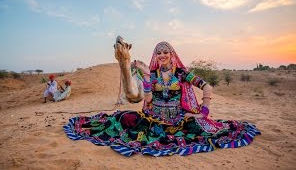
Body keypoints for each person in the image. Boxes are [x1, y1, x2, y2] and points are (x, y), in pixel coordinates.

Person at [64, 41, 260, 157]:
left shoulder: (182, 73)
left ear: (171, 54)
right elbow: (147, 97)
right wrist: (147, 76)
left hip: (178, 118)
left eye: (166, 52)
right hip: (154, 117)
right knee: (121, 119)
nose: (162, 55)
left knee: (201, 131)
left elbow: (207, 87)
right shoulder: (153, 74)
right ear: (156, 56)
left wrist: (204, 111)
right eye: (159, 53)